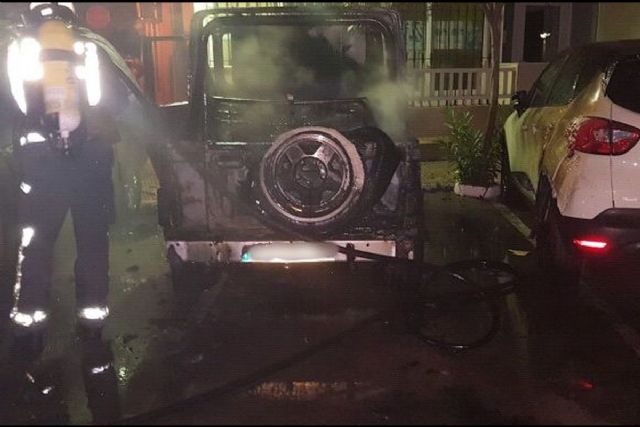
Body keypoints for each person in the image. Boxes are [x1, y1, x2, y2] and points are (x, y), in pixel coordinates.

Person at [7, 2, 120, 349]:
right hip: (91, 160)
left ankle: (30, 325)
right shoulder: (88, 46)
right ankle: (92, 321)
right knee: (93, 240)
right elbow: (112, 102)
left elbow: (9, 105)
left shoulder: (19, 48)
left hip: (41, 160)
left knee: (37, 242)